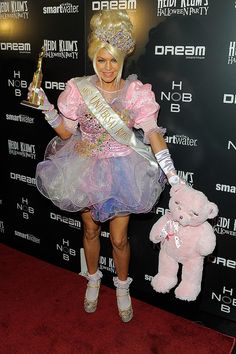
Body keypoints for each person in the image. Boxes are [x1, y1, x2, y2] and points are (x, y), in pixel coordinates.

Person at [29, 10, 181, 323]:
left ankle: (122, 287)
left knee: (119, 239)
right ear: (93, 59)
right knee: (89, 229)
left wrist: (174, 177)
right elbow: (67, 132)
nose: (107, 68)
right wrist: (45, 107)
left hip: (123, 171)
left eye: (113, 60)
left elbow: (152, 133)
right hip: (84, 167)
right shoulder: (78, 89)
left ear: (122, 58)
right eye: (101, 60)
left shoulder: (136, 93)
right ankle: (94, 279)